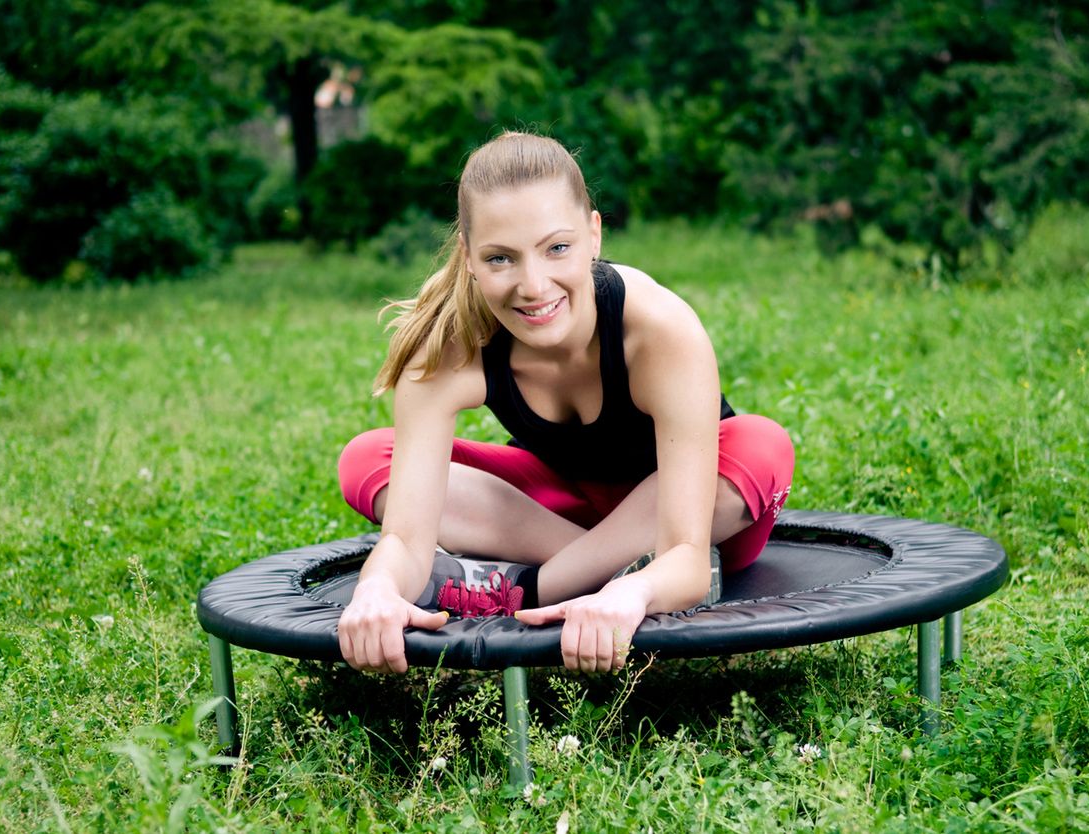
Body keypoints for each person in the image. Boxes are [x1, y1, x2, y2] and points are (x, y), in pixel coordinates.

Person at [337, 132, 793, 676]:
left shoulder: (657, 331)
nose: (533, 286)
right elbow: (407, 541)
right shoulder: (449, 349)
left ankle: (527, 588)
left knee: (761, 444)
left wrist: (634, 593)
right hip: (557, 506)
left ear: (594, 235)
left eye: (558, 248)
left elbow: (689, 560)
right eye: (501, 258)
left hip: (685, 510)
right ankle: (597, 567)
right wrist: (377, 590)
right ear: (469, 258)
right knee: (369, 458)